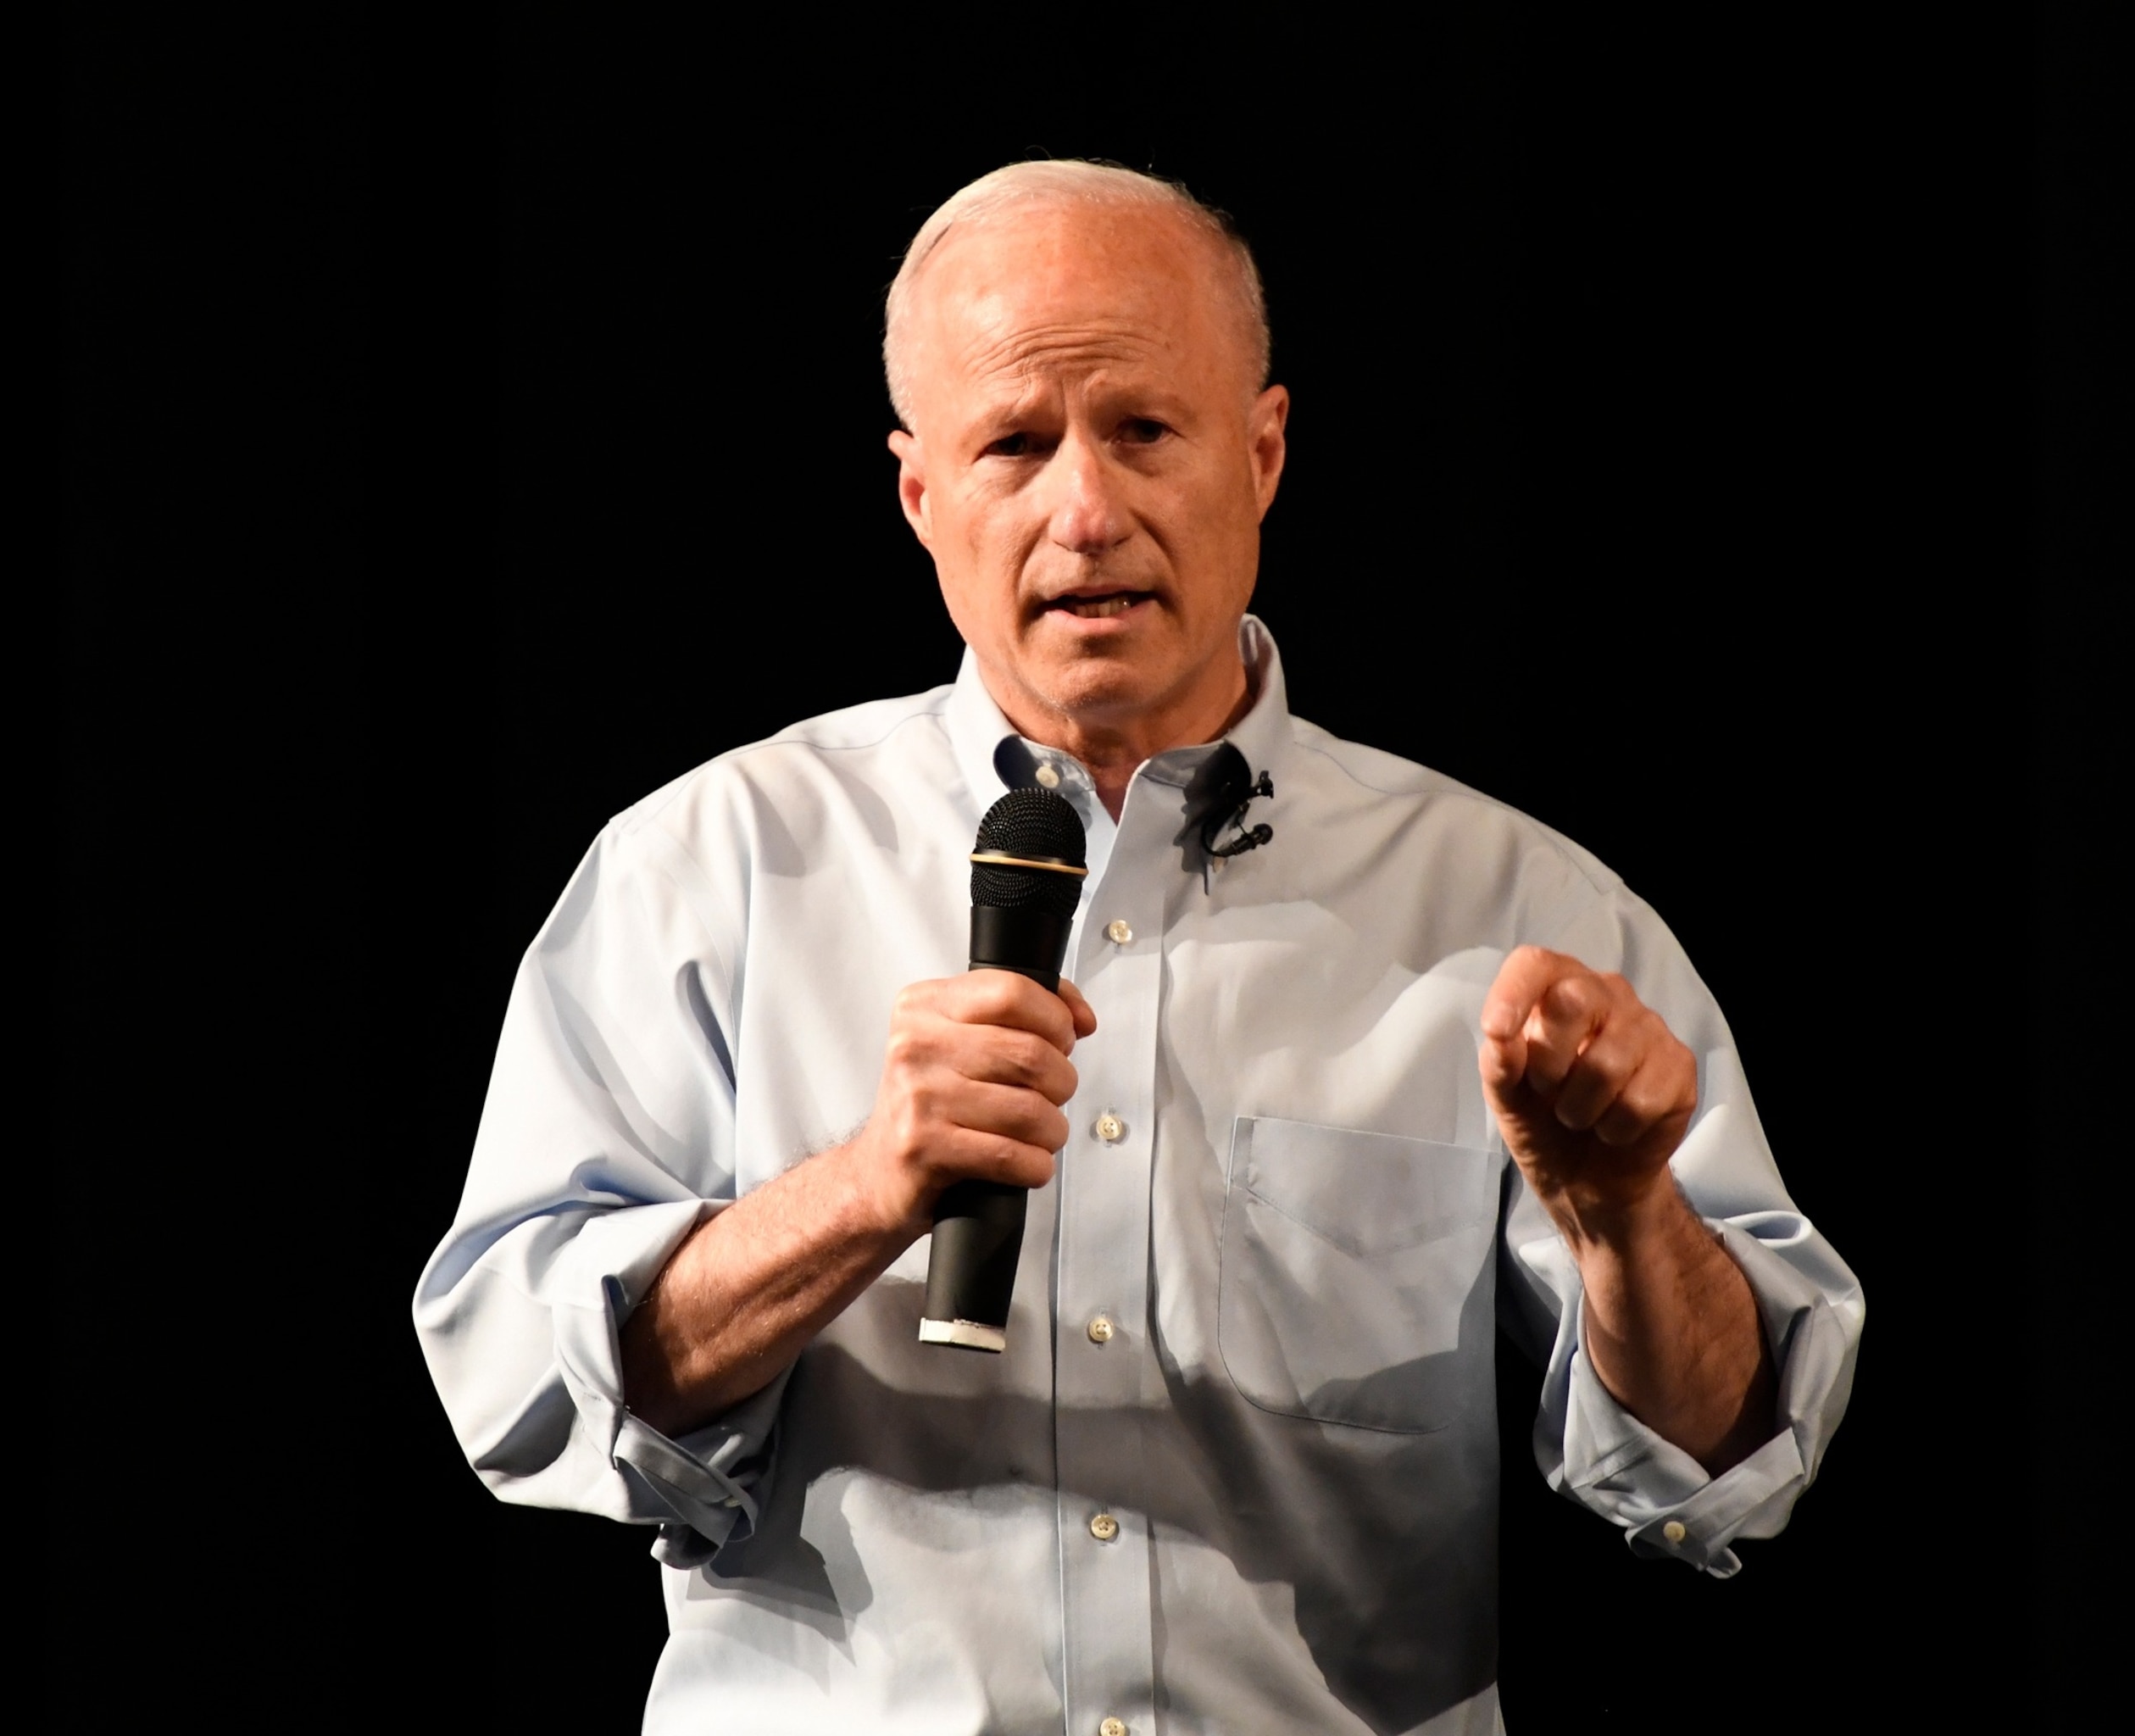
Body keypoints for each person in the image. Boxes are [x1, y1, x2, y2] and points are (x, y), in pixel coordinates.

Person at [414, 160, 1862, 1734]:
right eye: (1016, 444)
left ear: (1262, 453)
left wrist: (1627, 1219)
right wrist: (859, 1193)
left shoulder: (1522, 916)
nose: (1085, 510)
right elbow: (520, 1386)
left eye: (1146, 432)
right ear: (922, 497)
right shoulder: (705, 871)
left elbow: (1730, 1470)